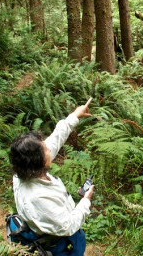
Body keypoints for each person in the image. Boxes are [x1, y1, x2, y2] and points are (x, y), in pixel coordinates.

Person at [9, 98, 94, 256]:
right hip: (58, 245)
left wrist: (75, 115)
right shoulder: (37, 197)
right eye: (45, 150)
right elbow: (67, 226)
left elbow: (56, 138)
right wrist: (86, 201)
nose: (49, 149)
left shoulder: (23, 171)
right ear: (38, 161)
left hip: (54, 231)